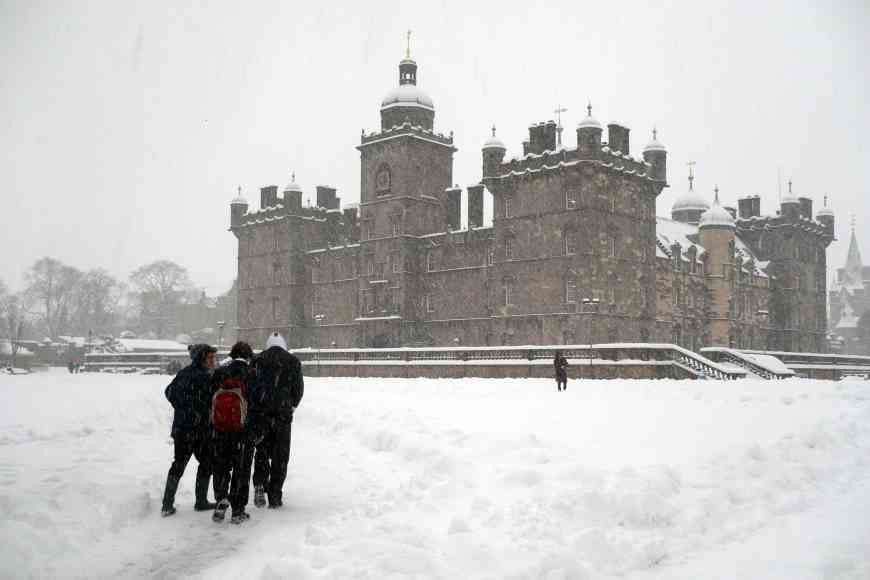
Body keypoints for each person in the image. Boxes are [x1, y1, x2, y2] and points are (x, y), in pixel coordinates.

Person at [160, 343, 218, 517]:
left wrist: (183, 408)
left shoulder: (183, 374)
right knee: (207, 463)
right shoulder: (207, 377)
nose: (213, 360)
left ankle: (167, 504)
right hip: (200, 430)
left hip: (182, 429)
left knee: (178, 464)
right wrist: (198, 410)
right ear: (201, 358)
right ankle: (200, 501)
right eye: (210, 357)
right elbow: (211, 400)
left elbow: (169, 392)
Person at [251, 332, 304, 509]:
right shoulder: (293, 362)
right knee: (280, 456)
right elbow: (298, 390)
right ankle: (275, 495)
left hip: (262, 414)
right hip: (282, 416)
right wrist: (290, 406)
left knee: (262, 451)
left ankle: (259, 484)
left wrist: (257, 406)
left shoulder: (258, 360)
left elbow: (252, 387)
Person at [210, 341, 258, 524]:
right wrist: (256, 430)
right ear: (248, 356)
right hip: (243, 431)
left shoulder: (220, 373)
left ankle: (221, 497)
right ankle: (238, 510)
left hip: (220, 428)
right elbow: (257, 404)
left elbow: (210, 397)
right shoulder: (251, 374)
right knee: (241, 469)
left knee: (221, 465)